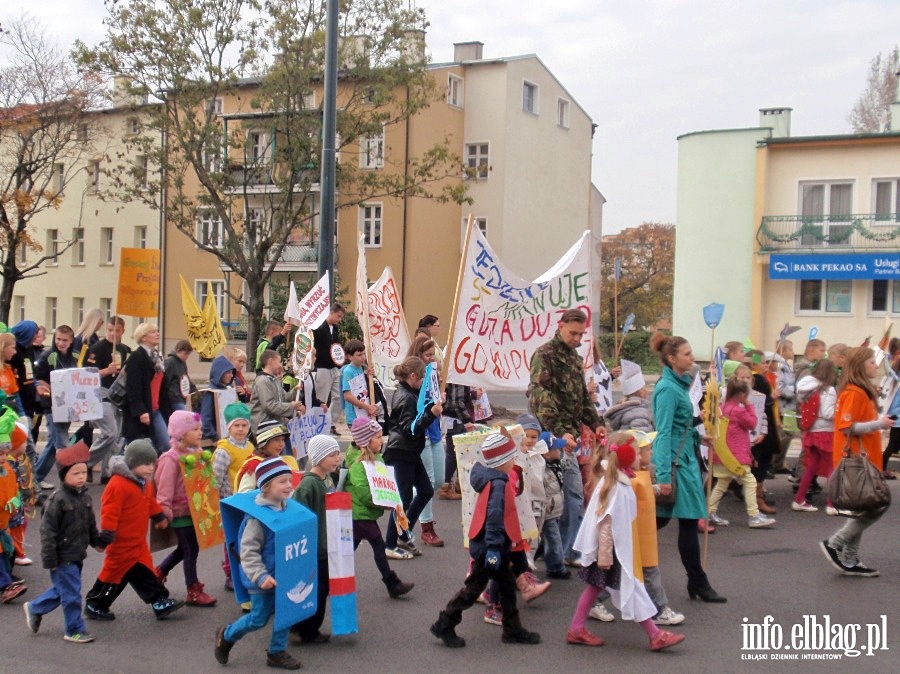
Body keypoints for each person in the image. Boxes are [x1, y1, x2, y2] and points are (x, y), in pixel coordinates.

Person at [566, 433, 685, 651]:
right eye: (638, 452)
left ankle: (577, 628)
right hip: (611, 552)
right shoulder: (616, 486)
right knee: (631, 589)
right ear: (627, 455)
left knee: (603, 589)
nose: (641, 456)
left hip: (611, 551)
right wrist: (604, 556)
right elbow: (606, 523)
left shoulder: (618, 481)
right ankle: (655, 634)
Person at [430, 431, 541, 648]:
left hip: (492, 545)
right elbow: (494, 518)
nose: (513, 461)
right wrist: (492, 549)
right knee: (473, 589)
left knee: (507, 586)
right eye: (511, 457)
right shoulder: (498, 484)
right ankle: (445, 623)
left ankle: (512, 629)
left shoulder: (493, 478)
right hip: (490, 547)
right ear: (501, 462)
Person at [650, 333, 726, 603]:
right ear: (672, 359)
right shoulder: (667, 389)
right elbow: (663, 432)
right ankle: (697, 581)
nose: (692, 357)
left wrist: (698, 434)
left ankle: (697, 581)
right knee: (666, 522)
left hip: (684, 460)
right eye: (687, 354)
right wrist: (662, 476)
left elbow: (680, 427)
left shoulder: (677, 385)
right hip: (675, 465)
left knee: (680, 521)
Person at [527, 309, 605, 567]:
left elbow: (582, 398)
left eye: (581, 334)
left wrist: (597, 424)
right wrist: (561, 432)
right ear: (560, 326)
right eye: (573, 333)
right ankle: (539, 551)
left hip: (569, 439)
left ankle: (568, 551)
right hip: (549, 439)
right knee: (546, 499)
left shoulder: (573, 358)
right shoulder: (545, 354)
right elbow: (541, 398)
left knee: (572, 494)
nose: (577, 339)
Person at [214, 457, 303, 670]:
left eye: (289, 480)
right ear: (265, 487)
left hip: (284, 575)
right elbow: (248, 553)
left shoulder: (287, 509)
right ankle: (226, 636)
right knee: (258, 619)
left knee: (285, 612)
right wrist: (260, 576)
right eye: (282, 481)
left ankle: (276, 652)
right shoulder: (256, 519)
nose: (289, 485)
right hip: (261, 579)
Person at [85, 439, 185, 621]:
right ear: (132, 463)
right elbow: (109, 513)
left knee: (144, 572)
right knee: (113, 576)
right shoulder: (117, 485)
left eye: (152, 463)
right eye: (146, 464)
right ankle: (95, 603)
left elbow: (150, 502)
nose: (151, 468)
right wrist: (105, 538)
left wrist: (159, 517)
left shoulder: (144, 483)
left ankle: (159, 600)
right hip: (121, 544)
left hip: (138, 542)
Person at [820, 347, 893, 578]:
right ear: (861, 366)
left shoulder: (861, 391)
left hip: (864, 459)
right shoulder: (854, 392)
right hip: (856, 459)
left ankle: (850, 559)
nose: (876, 366)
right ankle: (835, 543)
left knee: (864, 506)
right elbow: (846, 426)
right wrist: (879, 424)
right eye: (872, 362)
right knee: (877, 504)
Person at [24, 442, 104, 643]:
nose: (81, 477)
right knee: (72, 595)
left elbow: (90, 524)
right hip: (62, 557)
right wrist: (49, 558)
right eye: (76, 473)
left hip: (77, 554)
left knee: (65, 589)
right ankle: (73, 629)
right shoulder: (57, 500)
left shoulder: (84, 498)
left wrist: (96, 541)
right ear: (64, 476)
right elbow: (47, 532)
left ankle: (35, 608)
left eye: (83, 473)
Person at [345, 417, 415, 597]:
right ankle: (392, 584)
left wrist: (391, 497)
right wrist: (383, 502)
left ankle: (329, 577)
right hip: (359, 514)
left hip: (364, 513)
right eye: (377, 437)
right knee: (378, 545)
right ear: (366, 441)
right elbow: (363, 492)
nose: (381, 440)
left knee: (347, 549)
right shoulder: (357, 466)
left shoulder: (376, 459)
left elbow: (384, 484)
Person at [153, 410, 217, 607]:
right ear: (181, 434)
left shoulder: (198, 454)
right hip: (180, 511)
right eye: (195, 430)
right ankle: (193, 589)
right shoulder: (171, 458)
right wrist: (163, 512)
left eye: (200, 429)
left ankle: (159, 572)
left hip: (196, 511)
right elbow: (164, 487)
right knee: (191, 548)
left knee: (184, 548)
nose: (200, 432)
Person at [382, 357, 441, 558]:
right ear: (413, 376)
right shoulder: (404, 397)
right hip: (401, 452)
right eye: (423, 377)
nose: (425, 381)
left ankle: (404, 533)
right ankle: (390, 543)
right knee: (404, 497)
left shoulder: (411, 393)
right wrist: (431, 414)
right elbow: (410, 429)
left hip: (410, 452)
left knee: (425, 491)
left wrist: (433, 405)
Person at [291, 435, 342, 644]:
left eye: (338, 453)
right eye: (332, 455)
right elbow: (298, 516)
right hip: (315, 548)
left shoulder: (328, 479)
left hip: (327, 545)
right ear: (318, 457)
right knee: (315, 590)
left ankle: (310, 628)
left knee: (323, 589)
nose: (337, 458)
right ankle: (302, 629)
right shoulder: (308, 485)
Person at [707, 379, 775, 529]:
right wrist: (749, 405)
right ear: (742, 394)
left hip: (722, 453)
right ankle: (754, 515)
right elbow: (752, 423)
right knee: (750, 481)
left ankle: (709, 512)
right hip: (736, 455)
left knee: (722, 482)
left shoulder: (722, 407)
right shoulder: (738, 411)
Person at [212, 402, 254, 591]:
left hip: (247, 500)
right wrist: (217, 503)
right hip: (229, 502)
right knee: (230, 538)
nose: (240, 429)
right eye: (236, 426)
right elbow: (216, 479)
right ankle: (230, 572)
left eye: (244, 425)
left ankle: (245, 569)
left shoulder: (250, 447)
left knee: (246, 537)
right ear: (229, 427)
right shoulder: (223, 451)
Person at [85, 316, 132, 484]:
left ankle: (107, 471)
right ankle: (86, 463)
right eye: (110, 330)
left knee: (117, 437)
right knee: (110, 433)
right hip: (101, 394)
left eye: (117, 331)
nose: (113, 334)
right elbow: (86, 374)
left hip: (118, 396)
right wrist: (105, 371)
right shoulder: (97, 348)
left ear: (122, 332)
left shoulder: (124, 349)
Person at [408, 334, 445, 546]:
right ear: (418, 355)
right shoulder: (414, 378)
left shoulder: (433, 375)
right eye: (428, 355)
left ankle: (409, 511)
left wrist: (441, 398)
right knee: (428, 483)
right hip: (421, 433)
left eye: (433, 355)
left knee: (438, 480)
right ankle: (426, 526)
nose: (432, 358)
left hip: (435, 431)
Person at [33, 324, 77, 488]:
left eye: (65, 340)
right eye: (58, 339)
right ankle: (69, 482)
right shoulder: (48, 356)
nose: (61, 343)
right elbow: (38, 378)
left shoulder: (74, 356)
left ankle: (36, 478)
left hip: (67, 407)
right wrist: (53, 388)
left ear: (71, 340)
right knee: (62, 444)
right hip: (51, 405)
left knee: (53, 444)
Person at [793, 359, 838, 513]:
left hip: (811, 430)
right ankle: (831, 504)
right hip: (825, 431)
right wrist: (842, 411)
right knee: (832, 467)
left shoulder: (806, 388)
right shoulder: (829, 389)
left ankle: (799, 499)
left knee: (811, 467)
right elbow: (827, 413)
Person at [121, 323, 172, 454]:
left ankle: (159, 472)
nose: (157, 334)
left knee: (165, 445)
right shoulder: (136, 357)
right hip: (143, 411)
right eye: (153, 332)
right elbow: (133, 387)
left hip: (156, 409)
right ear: (143, 337)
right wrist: (141, 411)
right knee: (140, 450)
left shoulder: (156, 357)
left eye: (157, 331)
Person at [0, 414, 27, 603]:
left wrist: (15, 501)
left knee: (6, 553)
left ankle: (7, 581)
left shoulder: (8, 470)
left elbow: (14, 490)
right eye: (0, 454)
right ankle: (6, 585)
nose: (3, 457)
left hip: (4, 523)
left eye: (4, 453)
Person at [235, 420, 300, 494]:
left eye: (282, 440)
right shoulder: (254, 464)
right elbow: (244, 494)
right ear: (264, 443)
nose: (281, 444)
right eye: (276, 440)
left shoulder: (288, 461)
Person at [249, 350, 304, 434]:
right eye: (279, 362)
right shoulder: (263, 381)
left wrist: (294, 391)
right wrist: (291, 406)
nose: (280, 365)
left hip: (274, 426)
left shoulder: (275, 380)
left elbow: (283, 398)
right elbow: (269, 406)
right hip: (264, 427)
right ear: (270, 361)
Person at [312, 304, 346, 433]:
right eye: (338, 316)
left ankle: (330, 421)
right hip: (322, 366)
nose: (339, 319)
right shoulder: (320, 327)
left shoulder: (335, 329)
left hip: (334, 366)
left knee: (338, 396)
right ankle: (319, 423)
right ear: (331, 312)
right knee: (323, 397)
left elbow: (336, 346)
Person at [604, 360, 653, 432]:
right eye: (644, 388)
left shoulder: (625, 408)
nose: (647, 391)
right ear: (640, 393)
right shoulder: (638, 413)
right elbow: (641, 439)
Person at [199, 354, 237, 445]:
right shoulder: (210, 393)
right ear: (219, 373)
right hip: (216, 441)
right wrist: (214, 437)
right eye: (228, 373)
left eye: (232, 372)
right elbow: (205, 418)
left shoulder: (229, 390)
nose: (231, 375)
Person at [340, 339, 378, 427]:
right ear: (350, 357)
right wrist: (367, 407)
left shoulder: (363, 368)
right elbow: (347, 396)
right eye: (359, 355)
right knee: (361, 440)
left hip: (364, 413)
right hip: (354, 416)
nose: (363, 357)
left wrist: (369, 377)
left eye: (364, 353)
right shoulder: (348, 371)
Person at [162, 340, 196, 416]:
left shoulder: (182, 363)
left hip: (181, 397)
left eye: (188, 354)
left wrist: (194, 389)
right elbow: (165, 381)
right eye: (185, 354)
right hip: (174, 398)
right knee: (185, 418)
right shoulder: (170, 362)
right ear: (178, 350)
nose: (187, 356)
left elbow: (186, 378)